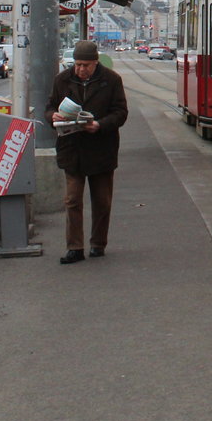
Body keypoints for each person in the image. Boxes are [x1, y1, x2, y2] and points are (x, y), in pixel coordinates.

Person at [45, 40, 129, 265]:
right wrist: (53, 116)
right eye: (78, 65)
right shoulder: (62, 80)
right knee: (72, 200)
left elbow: (121, 112)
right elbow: (50, 107)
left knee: (102, 201)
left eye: (86, 65)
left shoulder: (111, 80)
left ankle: (98, 244)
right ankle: (75, 247)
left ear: (95, 63)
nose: (81, 70)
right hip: (72, 149)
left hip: (101, 149)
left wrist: (99, 125)